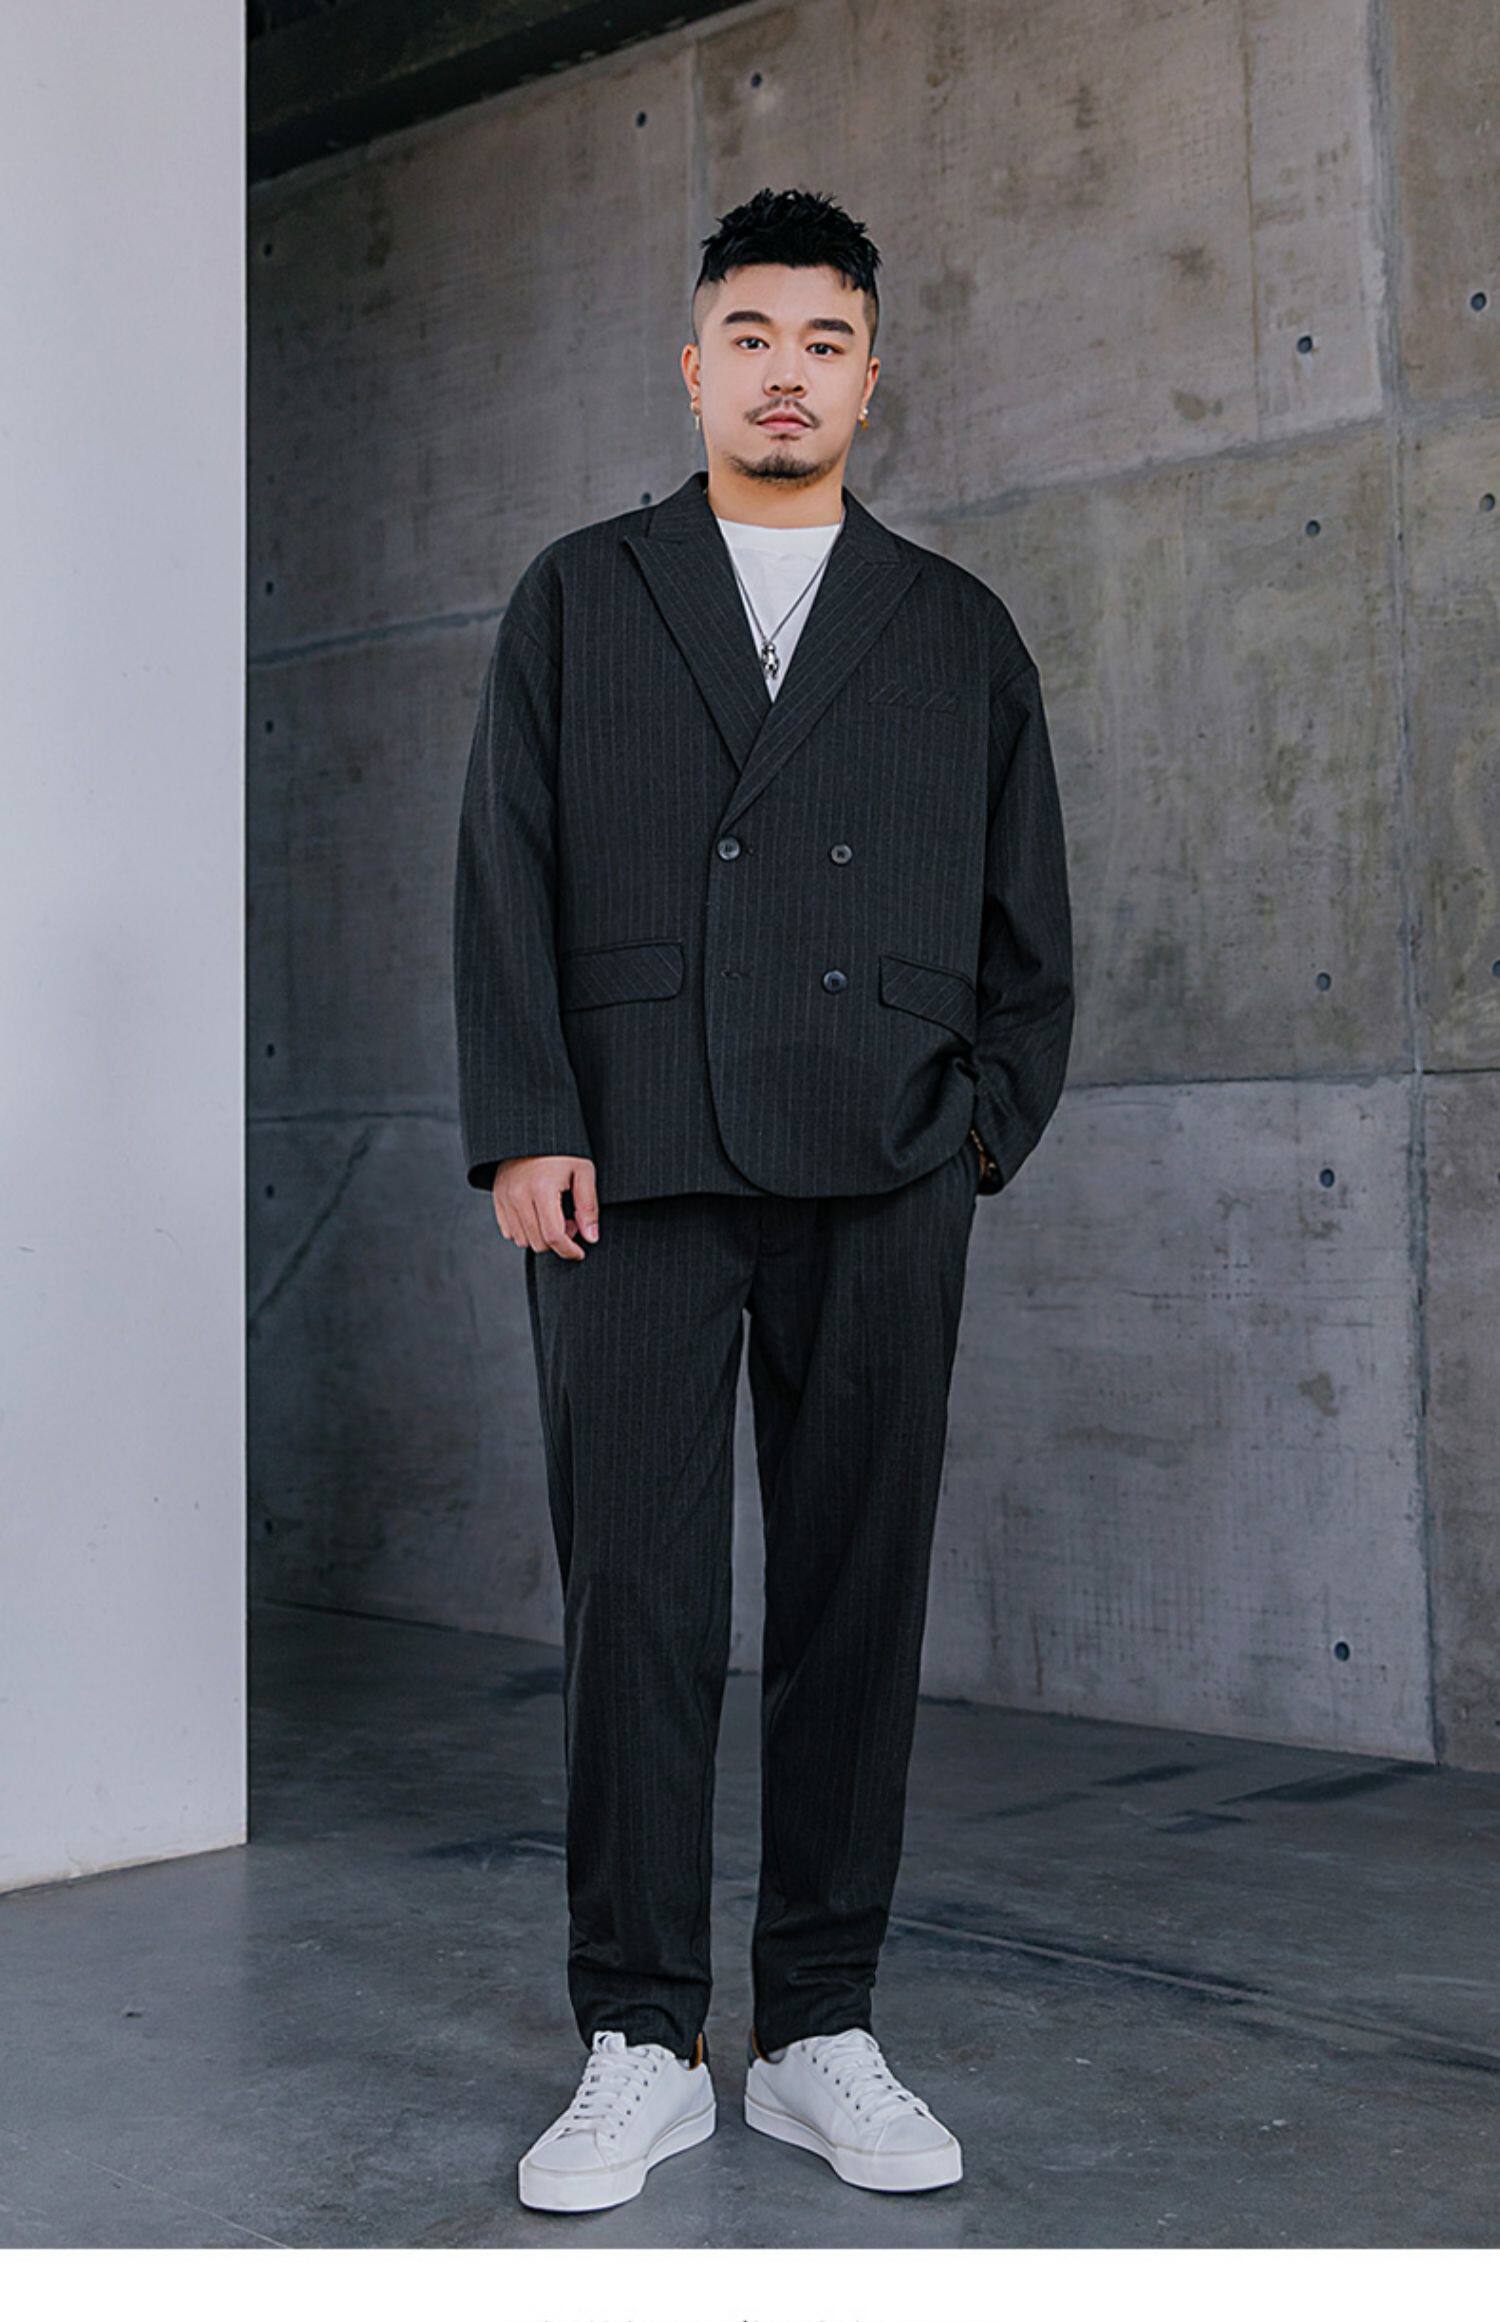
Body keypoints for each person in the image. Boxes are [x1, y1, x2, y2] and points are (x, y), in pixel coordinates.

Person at [451, 186, 1074, 2213]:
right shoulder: (582, 593)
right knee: (637, 1600)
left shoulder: (955, 626)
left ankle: (816, 2028)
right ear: (693, 363)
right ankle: (640, 2038)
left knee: (855, 1598)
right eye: (751, 335)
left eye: (824, 341)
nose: (785, 371)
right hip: (627, 1158)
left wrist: (980, 1131)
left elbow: (1031, 920)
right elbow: (502, 865)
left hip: (884, 1157)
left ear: (870, 378)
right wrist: (526, 1121)